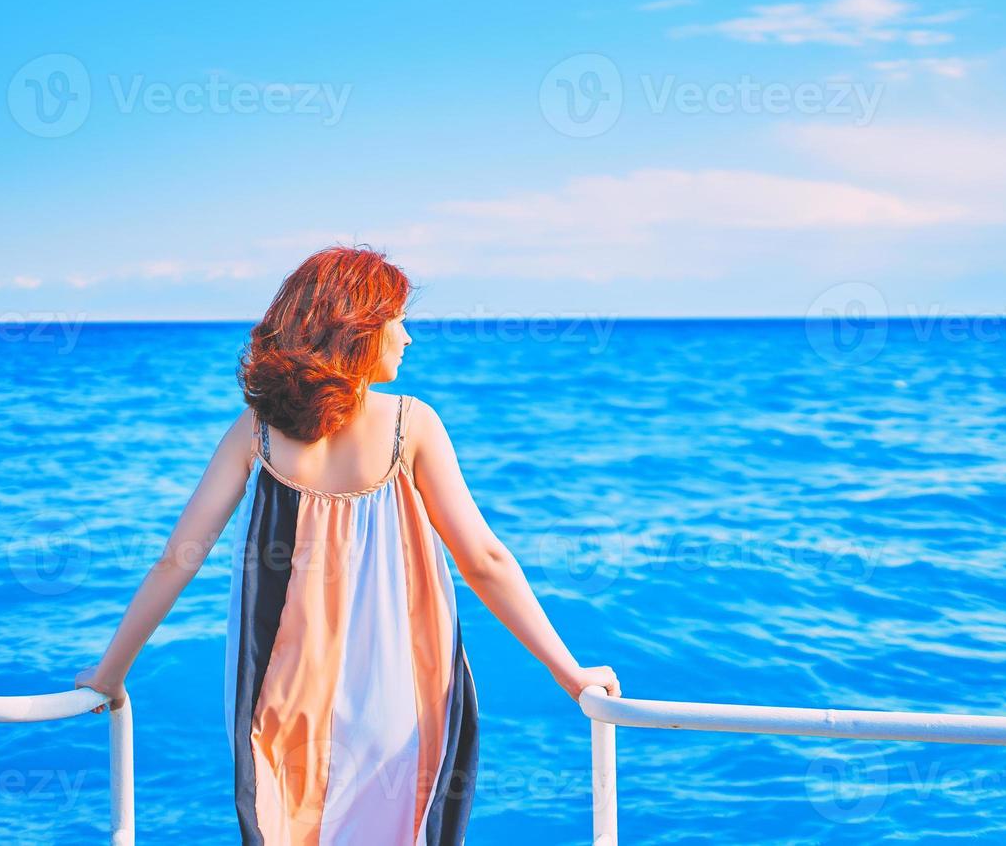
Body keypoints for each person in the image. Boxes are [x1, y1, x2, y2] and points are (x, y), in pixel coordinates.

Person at [74, 245, 621, 845]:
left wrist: (111, 672)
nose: (408, 337)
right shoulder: (411, 424)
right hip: (406, 686)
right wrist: (568, 673)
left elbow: (178, 558)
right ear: (359, 328)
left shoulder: (256, 430)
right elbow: (484, 560)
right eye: (398, 320)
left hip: (284, 691)